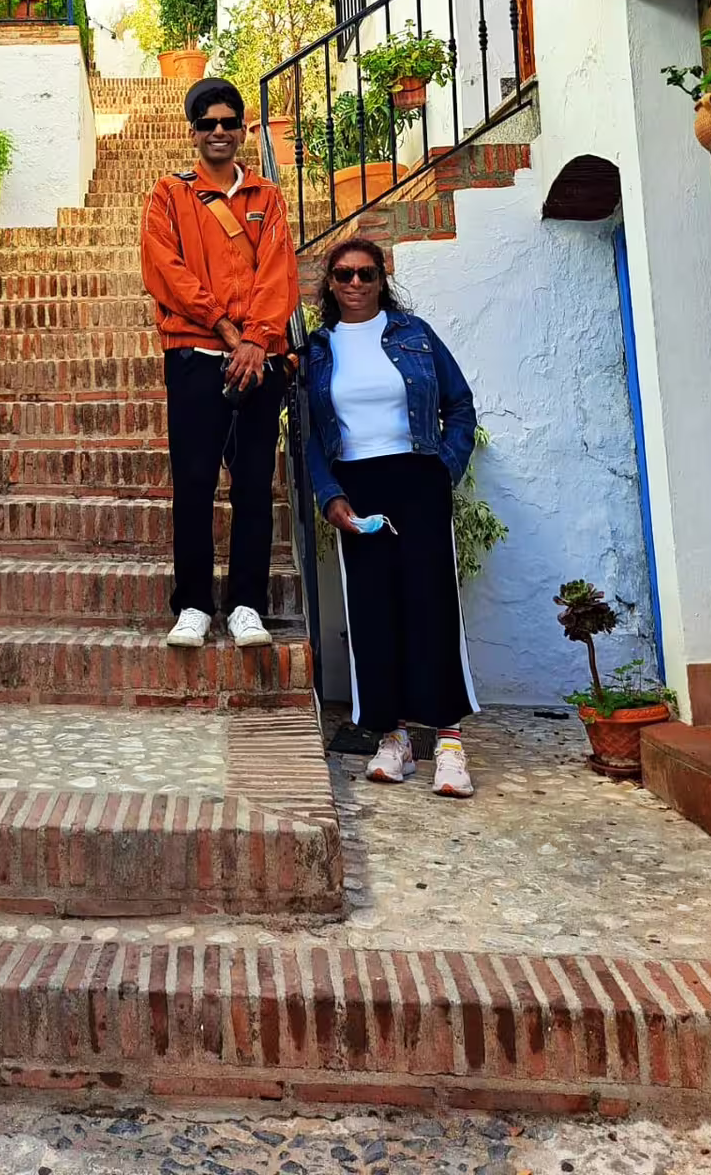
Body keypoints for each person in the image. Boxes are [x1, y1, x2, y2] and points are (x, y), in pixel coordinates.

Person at [304, 236, 480, 797]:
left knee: (432, 605)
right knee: (372, 613)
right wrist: (331, 495)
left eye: (365, 274)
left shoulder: (416, 337)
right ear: (329, 284)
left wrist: (444, 470)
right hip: (357, 486)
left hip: (417, 479)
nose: (354, 284)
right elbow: (310, 434)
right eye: (343, 275)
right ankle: (393, 738)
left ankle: (449, 743)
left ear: (382, 279)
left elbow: (460, 405)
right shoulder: (318, 349)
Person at [141, 78, 300, 650]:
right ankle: (192, 604)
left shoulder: (267, 197)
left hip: (257, 361)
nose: (219, 133)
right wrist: (224, 326)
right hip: (195, 354)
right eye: (207, 123)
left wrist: (258, 340)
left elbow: (279, 272)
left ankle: (247, 605)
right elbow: (165, 268)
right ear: (193, 131)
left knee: (255, 483)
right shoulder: (169, 195)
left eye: (228, 123)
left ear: (242, 130)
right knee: (193, 483)